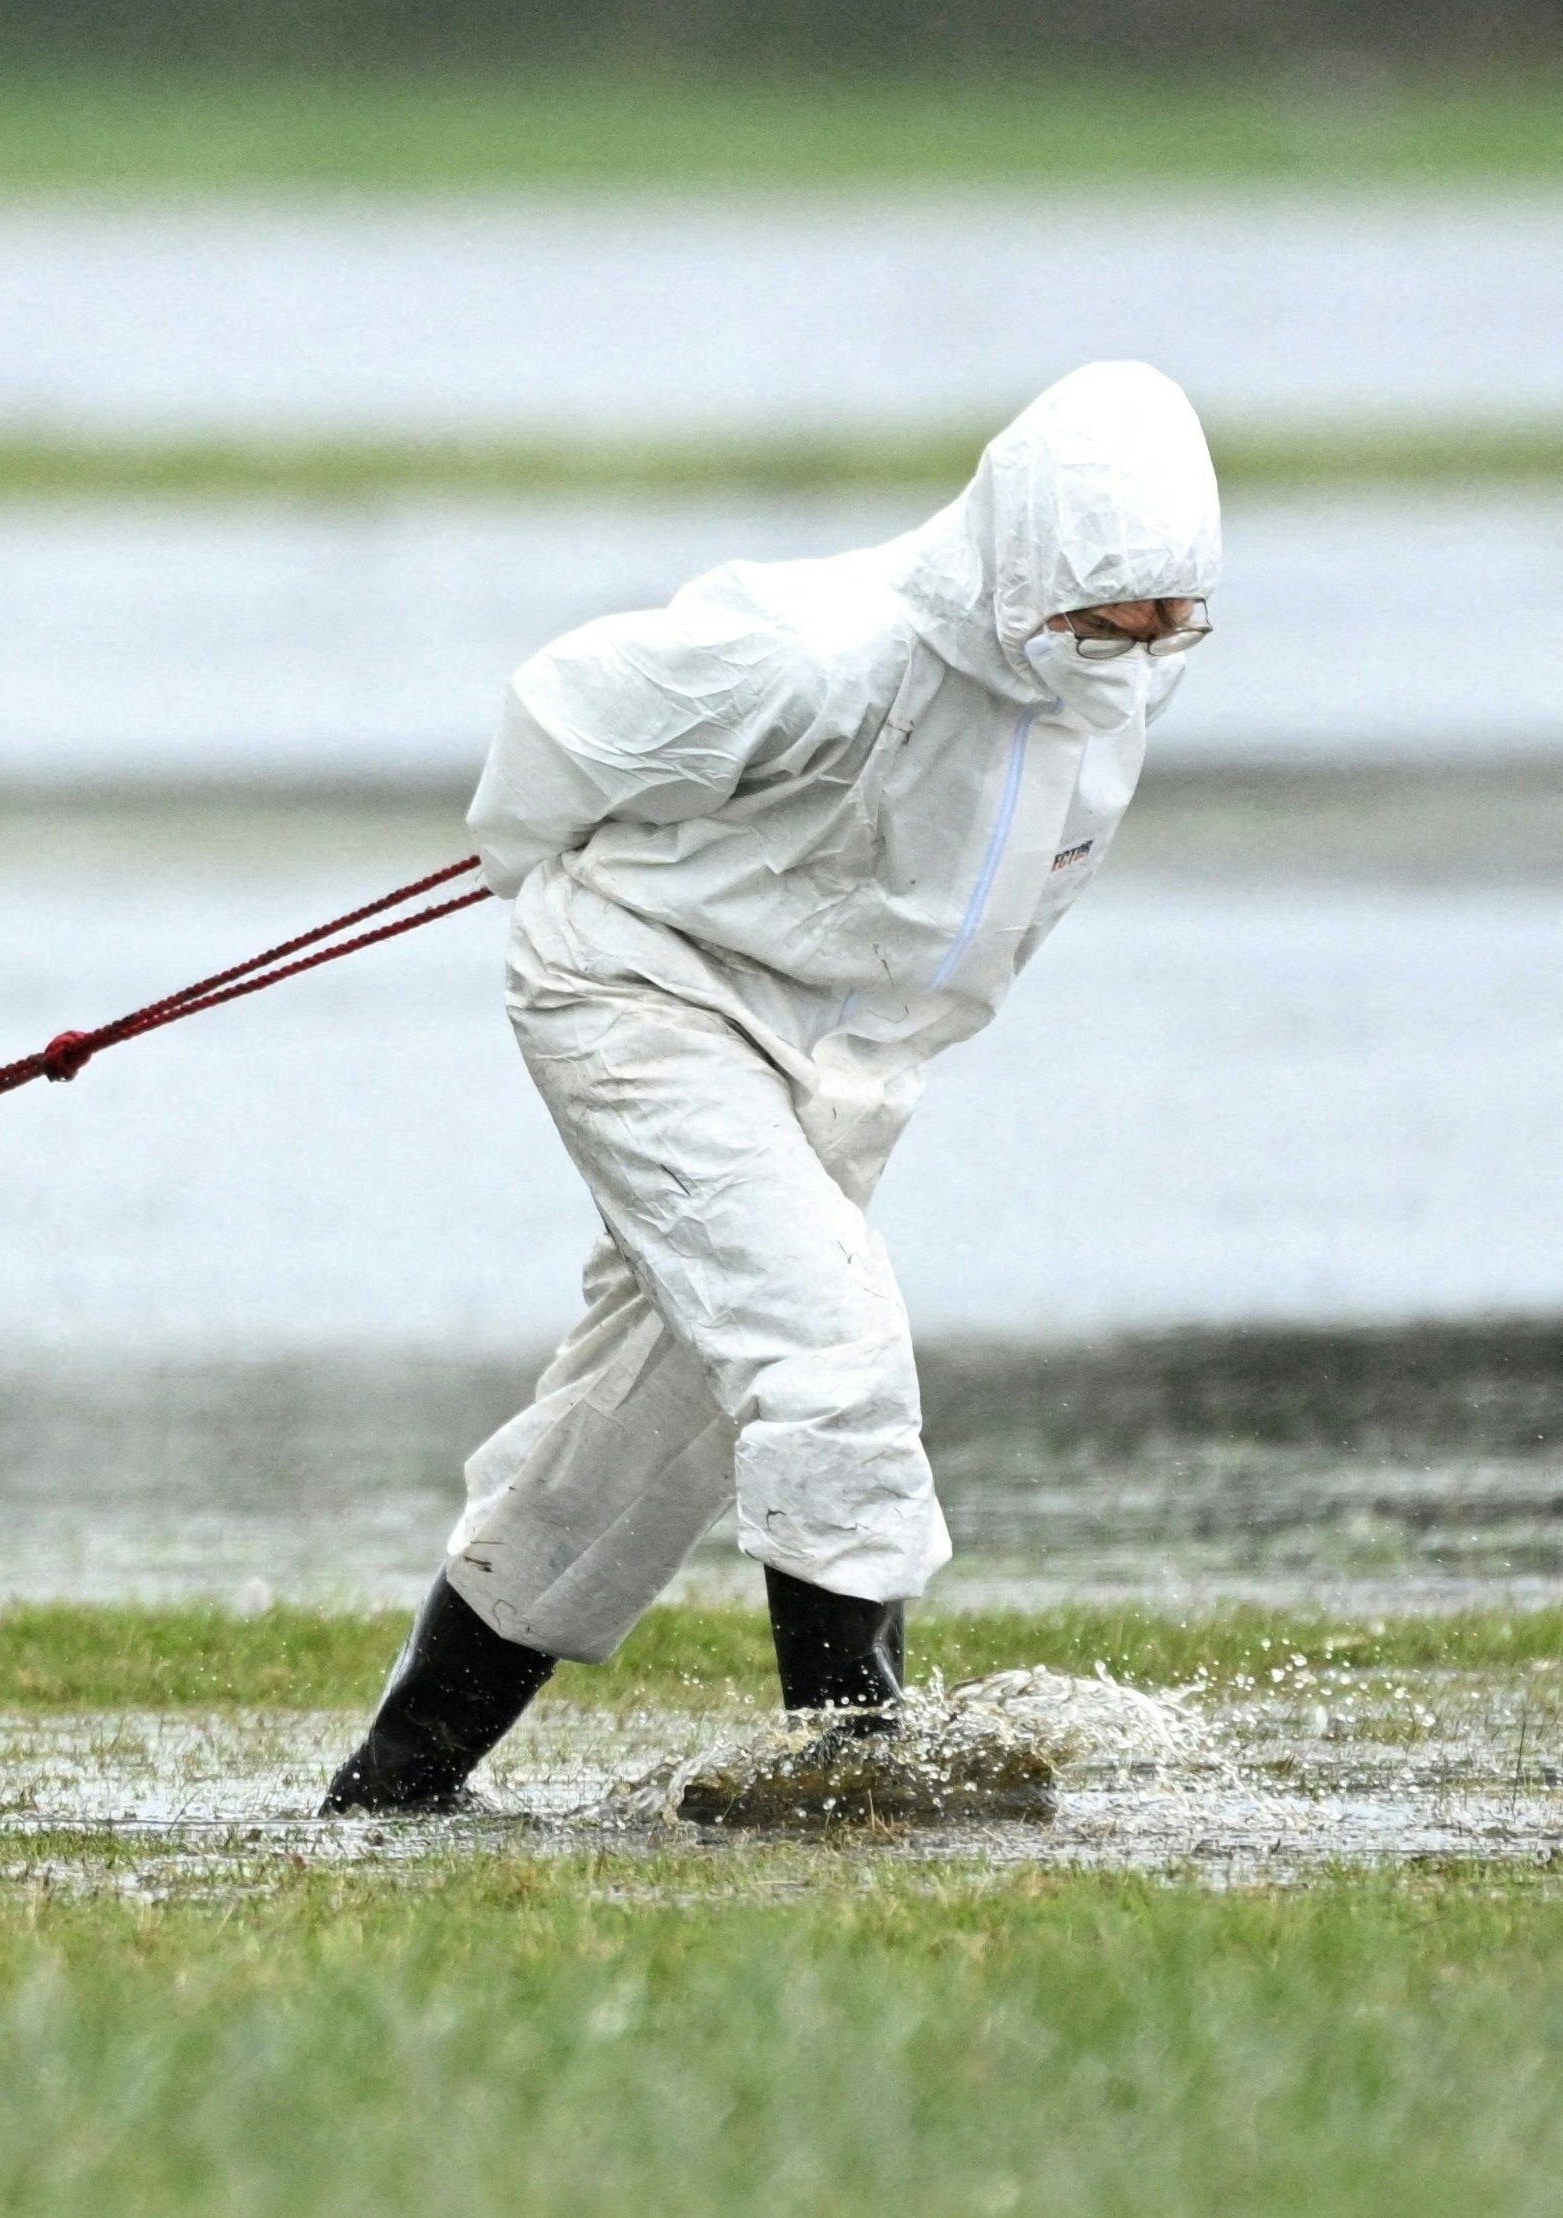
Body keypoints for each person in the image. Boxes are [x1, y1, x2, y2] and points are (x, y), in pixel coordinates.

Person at [319, 361, 1222, 1814]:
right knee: (833, 1346)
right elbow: (560, 725)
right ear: (1025, 562)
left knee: (639, 1437)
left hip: (831, 1067)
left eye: (1163, 623)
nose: (1129, 649)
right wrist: (531, 861)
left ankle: (397, 1782)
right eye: (1100, 616)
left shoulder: (1100, 704)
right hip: (641, 999)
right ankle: (859, 1775)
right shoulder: (823, 650)